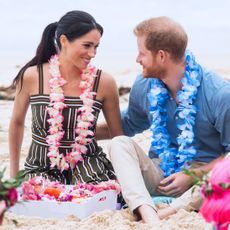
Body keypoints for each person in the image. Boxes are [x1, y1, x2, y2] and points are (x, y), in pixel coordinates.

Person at [97, 16, 230, 223]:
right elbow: (128, 124)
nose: (137, 59)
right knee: (119, 143)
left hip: (203, 181)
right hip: (161, 174)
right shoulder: (145, 84)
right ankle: (148, 212)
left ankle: (170, 211)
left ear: (161, 56)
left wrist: (192, 175)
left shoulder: (219, 95)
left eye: (141, 53)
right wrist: (83, 132)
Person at [9, 10, 123, 185]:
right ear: (64, 41)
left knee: (95, 195)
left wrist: (125, 180)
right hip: (41, 165)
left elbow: (117, 137)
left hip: (88, 164)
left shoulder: (104, 82)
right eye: (87, 45)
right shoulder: (33, 76)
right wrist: (14, 174)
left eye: (96, 46)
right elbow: (16, 122)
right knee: (41, 196)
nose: (93, 53)